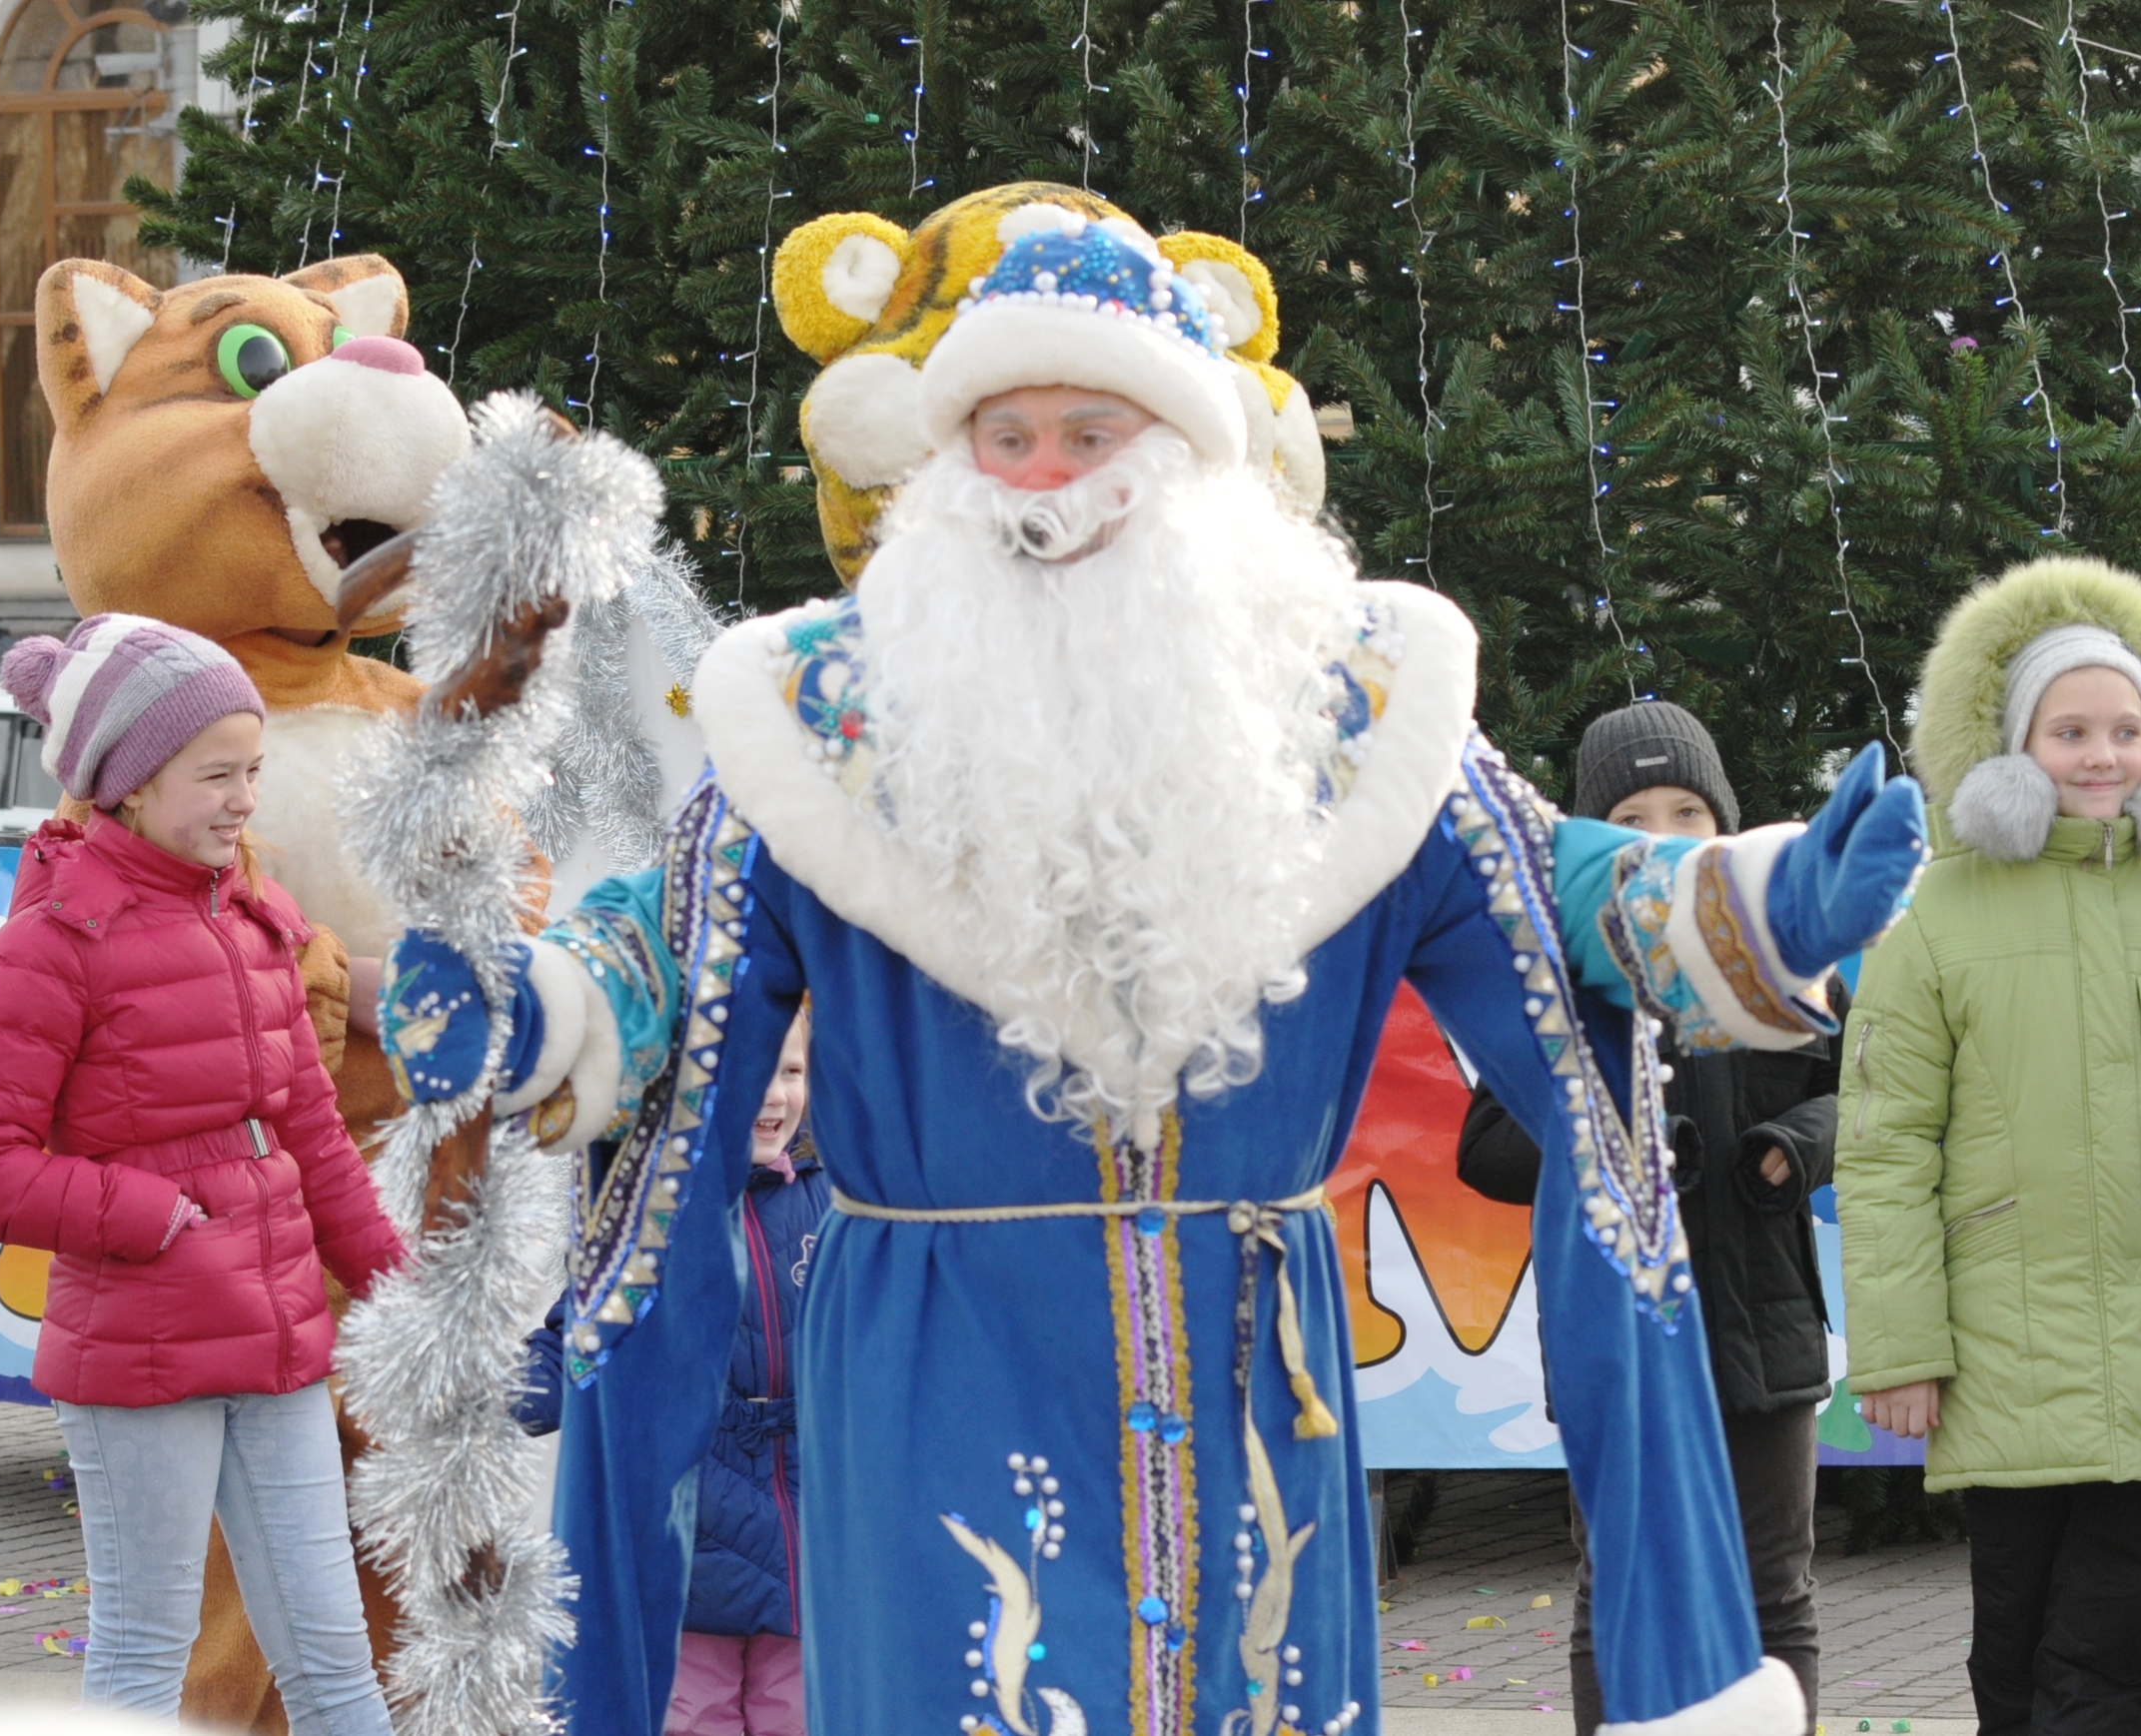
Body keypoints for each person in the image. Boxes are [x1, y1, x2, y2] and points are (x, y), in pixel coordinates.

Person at [380, 211, 1928, 1736]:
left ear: (1186, 462)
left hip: (1246, 1353)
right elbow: (666, 934)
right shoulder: (823, 725)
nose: (1044, 477)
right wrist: (535, 1008)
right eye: (1005, 432)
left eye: (1088, 428)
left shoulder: (1347, 718)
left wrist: (1771, 891)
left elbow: (1568, 888)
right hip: (934, 1363)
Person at [1837, 556, 2141, 1736]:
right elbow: (1886, 1144)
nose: (2102, 755)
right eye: (2070, 730)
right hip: (2002, 1345)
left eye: (2124, 730)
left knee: (2111, 1644)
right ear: (2012, 745)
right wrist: (1900, 1348)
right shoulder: (1934, 918)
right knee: (2013, 1644)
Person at [0, 615, 404, 1729]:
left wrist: (403, 1294)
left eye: (253, 770)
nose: (245, 797)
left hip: (286, 1338)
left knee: (334, 1652)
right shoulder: (51, 944)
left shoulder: (261, 926)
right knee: (146, 1657)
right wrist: (150, 1215)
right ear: (130, 782)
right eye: (217, 775)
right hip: (139, 1353)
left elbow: (316, 1138)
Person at [1456, 700, 1838, 1733]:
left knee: (1774, 1594)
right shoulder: (1559, 977)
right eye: (1634, 814)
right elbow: (1483, 1146)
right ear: (1591, 836)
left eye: (1688, 812)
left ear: (1725, 827)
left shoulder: (1777, 957)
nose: (1665, 837)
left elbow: (1871, 1094)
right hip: (1615, 1345)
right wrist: (1604, 1130)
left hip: (1766, 1331)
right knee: (1619, 1593)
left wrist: (1790, 1148)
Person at [517, 1007, 826, 1735]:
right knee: (688, 1714)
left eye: (790, 1072)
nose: (773, 1096)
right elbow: (587, 1334)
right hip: (692, 1534)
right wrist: (496, 1396)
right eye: (751, 1073)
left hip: (809, 1535)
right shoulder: (660, 1210)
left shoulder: (830, 1195)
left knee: (805, 1713)